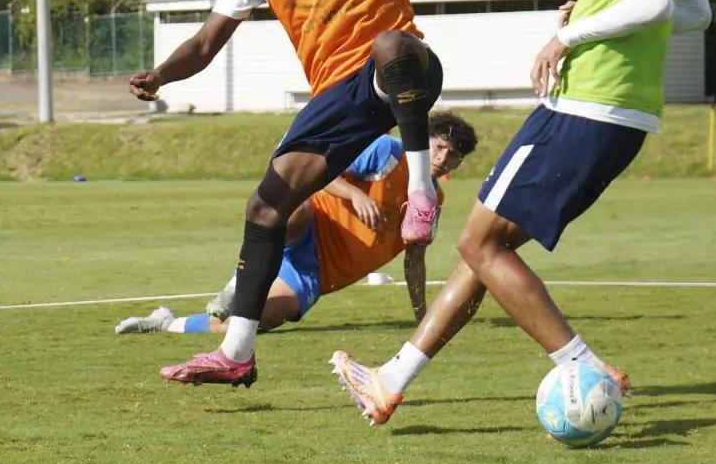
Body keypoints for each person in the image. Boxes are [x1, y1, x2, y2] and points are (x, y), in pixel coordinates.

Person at [329, 0, 712, 426]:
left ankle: (582, 367)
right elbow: (694, 11)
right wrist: (591, 13)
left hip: (584, 108)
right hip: (625, 117)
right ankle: (390, 380)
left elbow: (654, 3)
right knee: (486, 249)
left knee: (480, 242)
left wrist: (571, 35)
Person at [128, 0, 469, 386]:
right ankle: (237, 353)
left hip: (406, 71)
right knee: (265, 209)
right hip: (339, 101)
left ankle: (421, 194)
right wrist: (162, 75)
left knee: (390, 42)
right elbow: (204, 42)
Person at [112, 114, 478, 348]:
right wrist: (353, 194)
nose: (443, 158)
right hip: (310, 227)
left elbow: (415, 257)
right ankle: (236, 284)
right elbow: (316, 172)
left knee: (254, 322)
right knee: (294, 207)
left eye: (453, 155)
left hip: (313, 273)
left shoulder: (432, 199)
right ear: (422, 139)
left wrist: (422, 315)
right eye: (439, 147)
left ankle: (166, 323)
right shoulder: (387, 151)